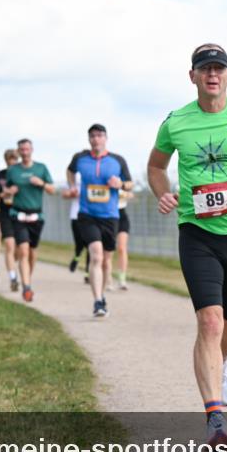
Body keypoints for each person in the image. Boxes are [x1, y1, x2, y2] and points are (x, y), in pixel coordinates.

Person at [148, 43, 227, 447]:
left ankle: (219, 364)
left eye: (218, 68)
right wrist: (163, 192)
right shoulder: (176, 122)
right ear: (192, 77)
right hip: (197, 233)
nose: (212, 74)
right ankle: (214, 417)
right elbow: (156, 166)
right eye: (204, 68)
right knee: (209, 321)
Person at [66, 124, 133, 317]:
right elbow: (69, 171)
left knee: (105, 260)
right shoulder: (80, 158)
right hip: (87, 214)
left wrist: (119, 184)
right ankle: (97, 301)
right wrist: (72, 186)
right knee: (96, 255)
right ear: (89, 139)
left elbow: (129, 184)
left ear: (106, 138)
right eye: (93, 136)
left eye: (100, 135)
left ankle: (102, 296)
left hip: (110, 216)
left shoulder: (117, 160)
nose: (96, 139)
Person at [4, 138, 55, 302]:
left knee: (32, 253)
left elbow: (52, 190)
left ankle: (27, 279)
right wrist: (9, 191)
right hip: (18, 215)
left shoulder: (41, 168)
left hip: (36, 216)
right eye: (22, 150)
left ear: (32, 150)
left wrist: (41, 183)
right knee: (23, 250)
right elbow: (5, 192)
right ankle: (26, 287)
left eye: (27, 149)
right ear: (18, 152)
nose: (25, 153)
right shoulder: (13, 171)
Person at [0, 149, 21, 291]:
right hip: (5, 213)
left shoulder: (22, 173)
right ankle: (13, 278)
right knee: (9, 245)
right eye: (10, 160)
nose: (12, 162)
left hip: (21, 212)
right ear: (5, 160)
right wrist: (2, 193)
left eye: (15, 159)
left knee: (19, 249)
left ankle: (13, 264)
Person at [112, 187, 134, 291]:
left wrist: (124, 195)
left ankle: (122, 279)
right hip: (108, 215)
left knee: (122, 248)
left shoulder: (123, 178)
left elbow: (131, 194)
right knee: (108, 250)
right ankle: (107, 279)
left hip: (122, 215)